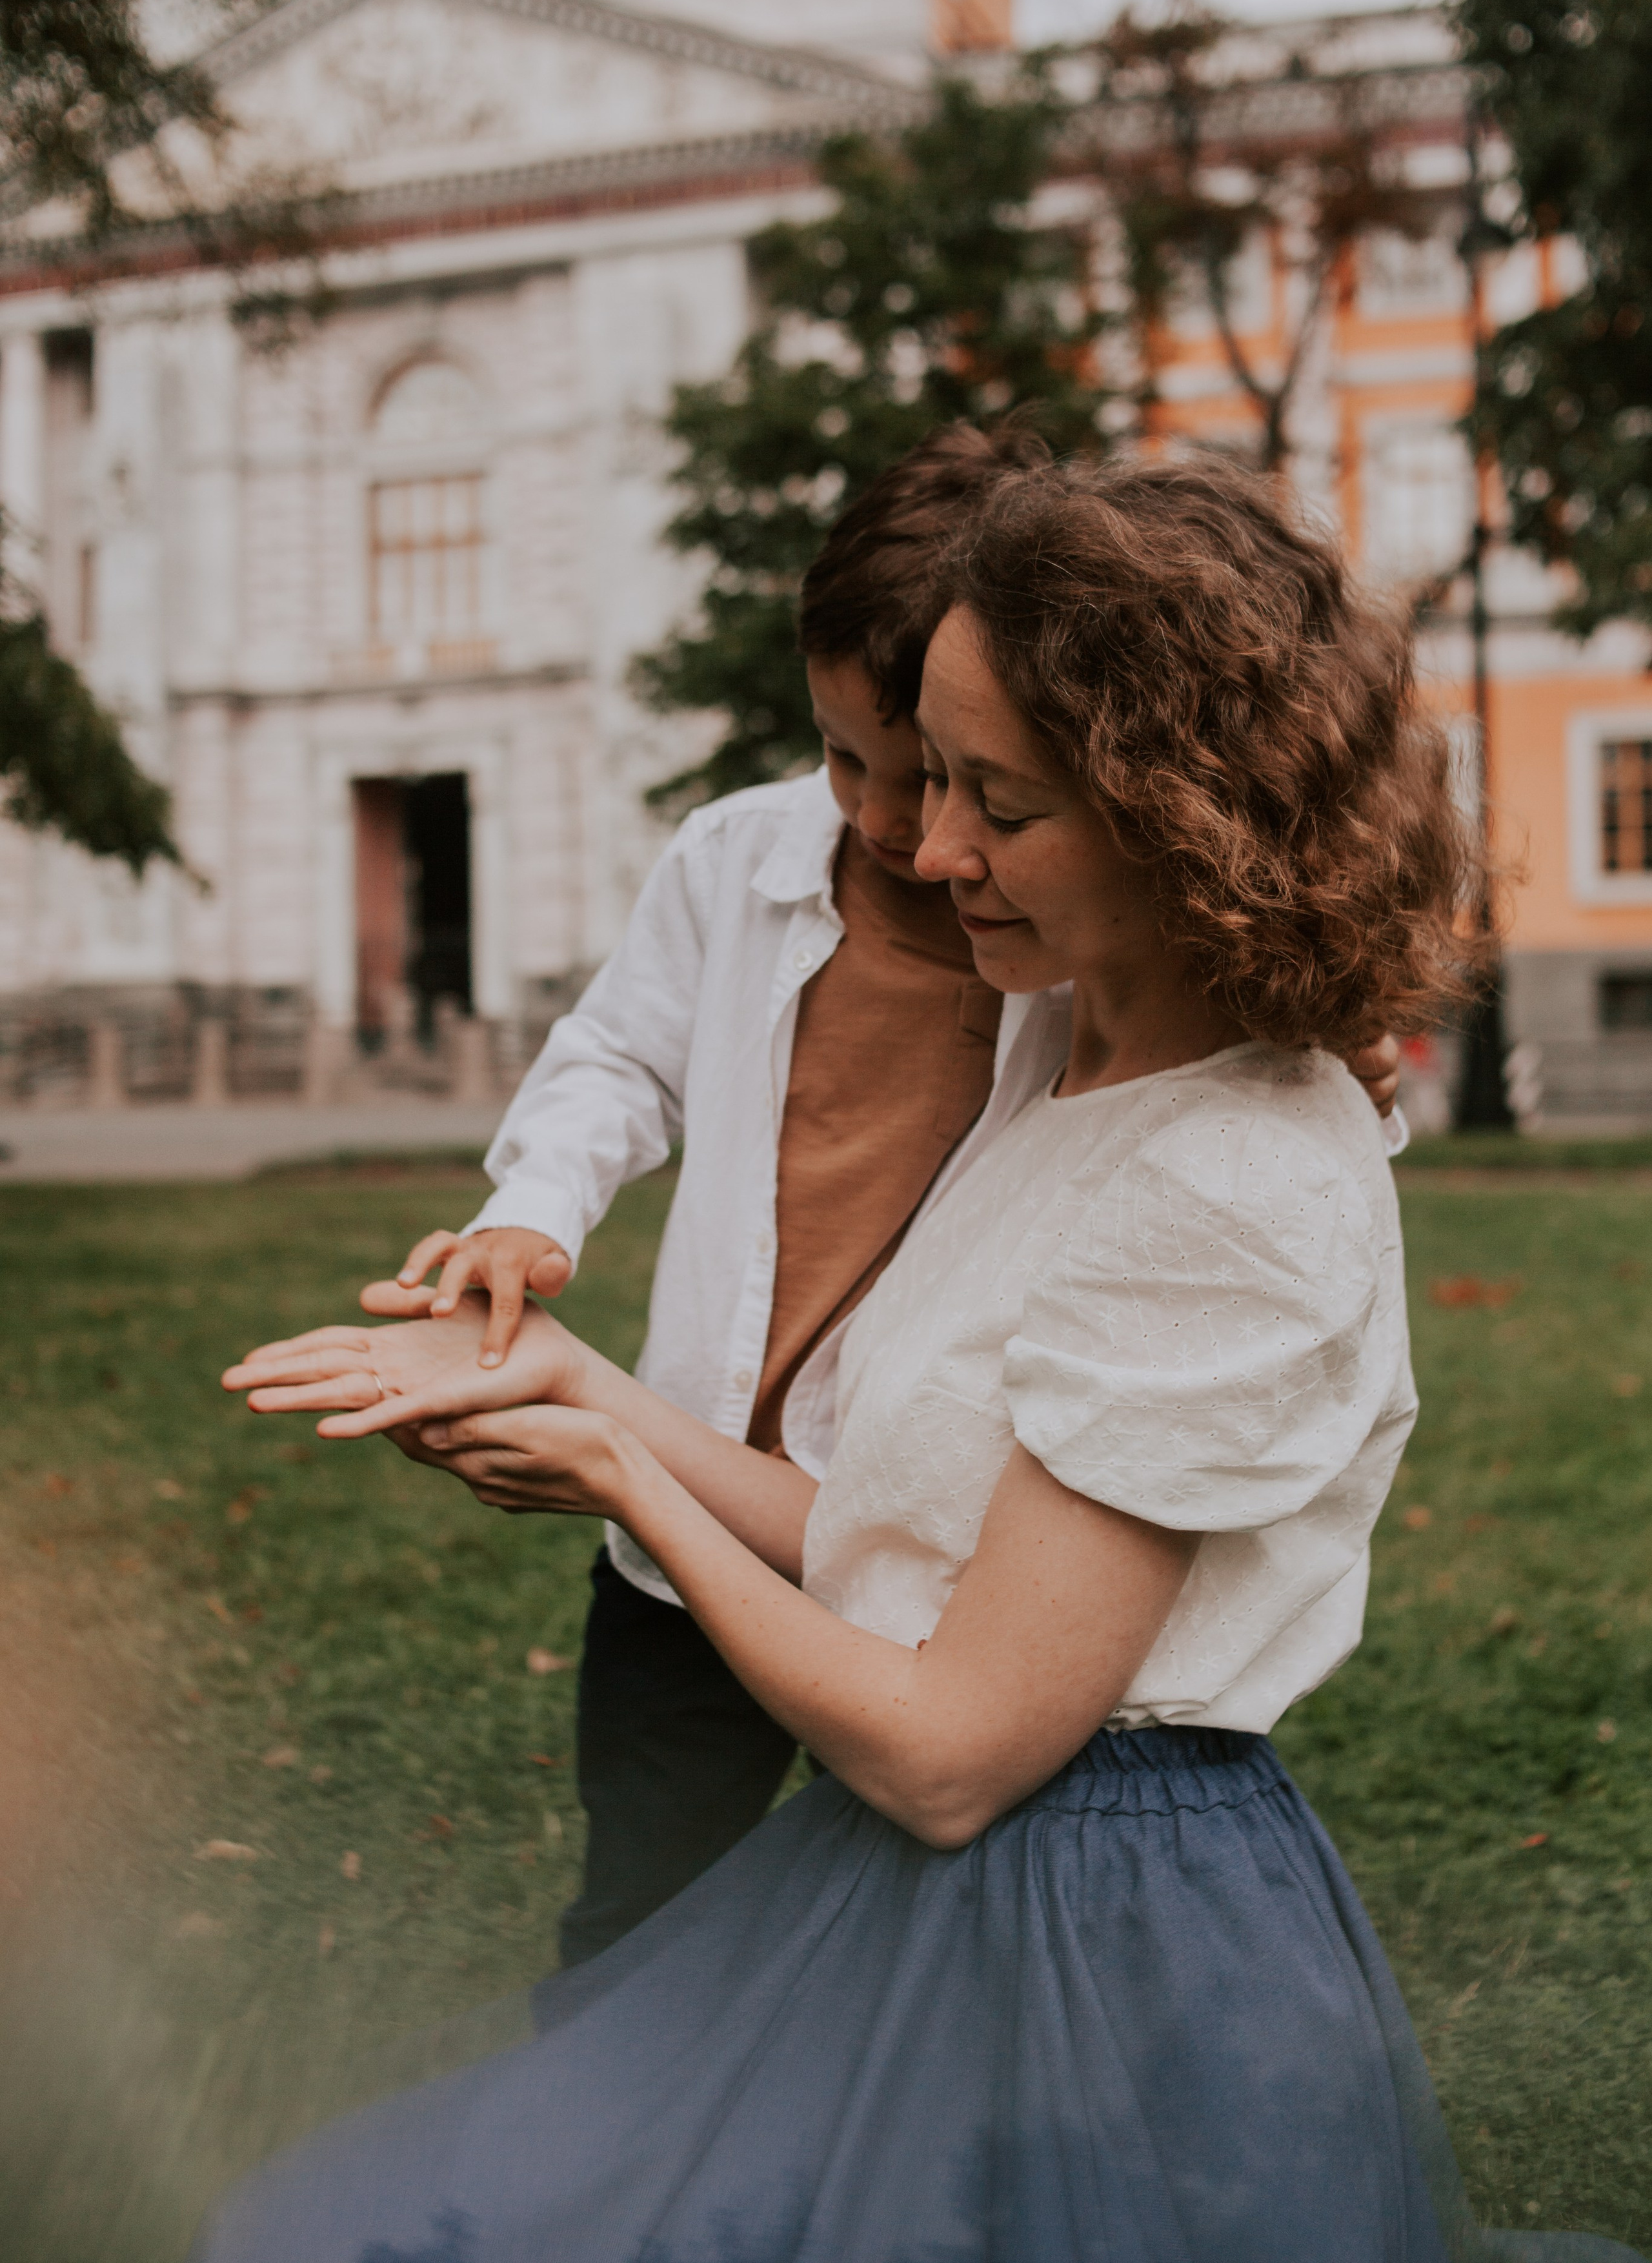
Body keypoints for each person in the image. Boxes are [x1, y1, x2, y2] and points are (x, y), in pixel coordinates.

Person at [206, 454, 1633, 2262]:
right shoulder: (1066, 1063)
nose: (922, 844)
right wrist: (576, 1383)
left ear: (1184, 814)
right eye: (914, 773)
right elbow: (896, 1535)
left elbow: (958, 1746)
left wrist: (625, 1470)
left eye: (995, 801)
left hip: (1084, 1941)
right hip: (939, 1885)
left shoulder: (1226, 1174)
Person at [367, 421, 1403, 1965]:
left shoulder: (1094, 998)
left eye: (961, 786)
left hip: (946, 1585)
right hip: (742, 1519)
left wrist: (1306, 1028)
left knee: (849, 1957)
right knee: (646, 1918)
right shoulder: (752, 866)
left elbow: (1212, 1178)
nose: (903, 832)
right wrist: (541, 1234)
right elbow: (613, 1060)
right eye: (850, 760)